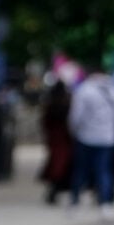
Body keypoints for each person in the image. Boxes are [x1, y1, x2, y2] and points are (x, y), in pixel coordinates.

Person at [68, 64, 114, 219]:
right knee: (104, 171)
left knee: (81, 171)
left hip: (86, 137)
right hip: (109, 138)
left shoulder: (84, 91)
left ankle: (75, 202)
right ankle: (106, 204)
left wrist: (75, 131)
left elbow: (76, 116)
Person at [38, 74, 75, 206]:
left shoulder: (52, 104)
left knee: (56, 163)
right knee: (59, 164)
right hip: (63, 138)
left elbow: (45, 122)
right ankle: (55, 189)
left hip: (55, 138)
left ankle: (54, 190)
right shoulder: (66, 103)